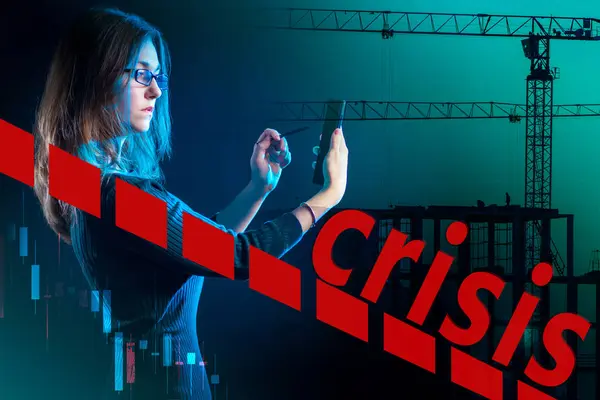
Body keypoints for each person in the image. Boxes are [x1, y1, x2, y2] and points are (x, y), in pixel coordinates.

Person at [32, 7, 348, 400]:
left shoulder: (86, 189)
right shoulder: (117, 195)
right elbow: (238, 258)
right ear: (98, 78)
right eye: (142, 74)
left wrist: (257, 188)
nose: (156, 91)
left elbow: (205, 248)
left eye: (157, 76)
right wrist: (328, 196)